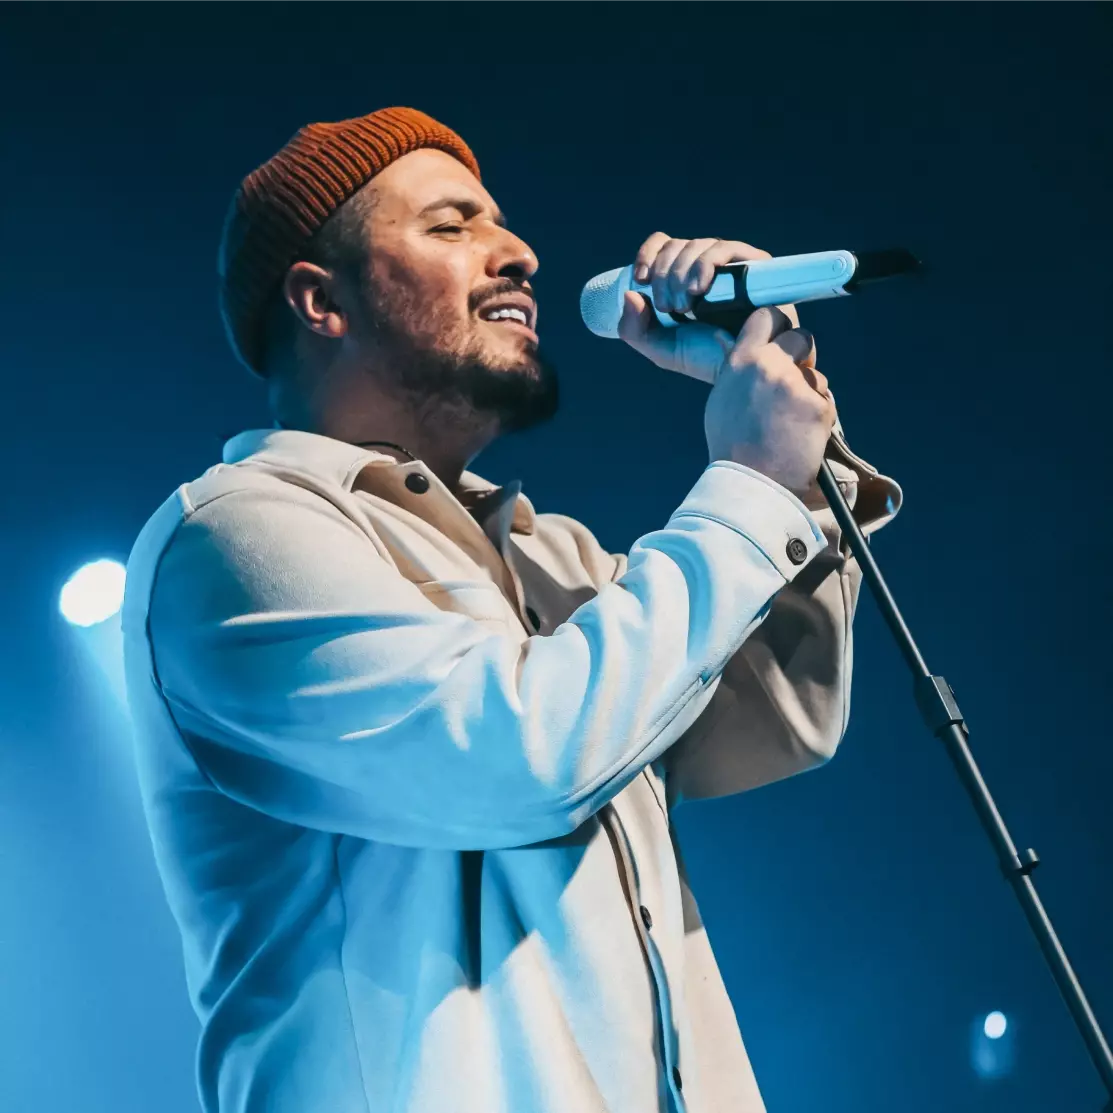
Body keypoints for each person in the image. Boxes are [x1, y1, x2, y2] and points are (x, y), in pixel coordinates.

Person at [122, 106, 901, 1113]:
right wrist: (747, 488)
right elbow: (520, 753)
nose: (520, 252)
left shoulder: (551, 554)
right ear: (321, 300)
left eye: (499, 221)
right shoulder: (231, 537)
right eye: (451, 225)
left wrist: (791, 454)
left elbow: (776, 715)